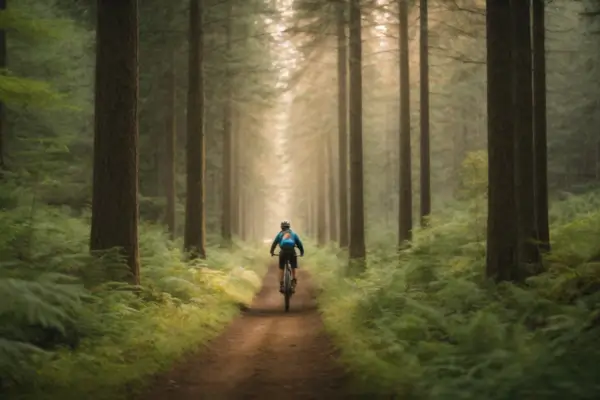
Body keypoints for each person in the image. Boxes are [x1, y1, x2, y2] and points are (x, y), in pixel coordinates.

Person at [269, 220, 304, 293]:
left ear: (281, 227)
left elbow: (274, 243)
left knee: (281, 268)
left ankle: (281, 284)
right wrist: (301, 252)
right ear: (289, 227)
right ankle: (293, 281)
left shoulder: (280, 234)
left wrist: (272, 252)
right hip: (292, 251)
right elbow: (299, 244)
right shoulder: (293, 234)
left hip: (283, 252)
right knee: (293, 266)